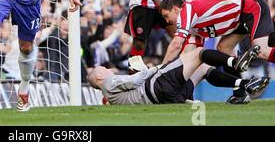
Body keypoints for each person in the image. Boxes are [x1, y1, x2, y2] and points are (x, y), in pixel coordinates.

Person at [159, 0, 275, 103]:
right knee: (224, 49)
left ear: (175, 9)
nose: (167, 21)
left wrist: (160, 70)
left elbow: (176, 44)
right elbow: (188, 54)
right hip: (240, 18)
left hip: (251, 6)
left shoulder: (186, 11)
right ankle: (240, 94)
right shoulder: (193, 27)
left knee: (262, 51)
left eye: (166, 16)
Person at [88, 46, 268, 105]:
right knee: (199, 52)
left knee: (203, 68)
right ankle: (234, 63)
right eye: (103, 69)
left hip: (170, 98)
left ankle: (243, 86)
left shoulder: (110, 98)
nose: (107, 69)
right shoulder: (109, 82)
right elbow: (134, 80)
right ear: (99, 78)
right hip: (158, 86)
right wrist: (153, 68)